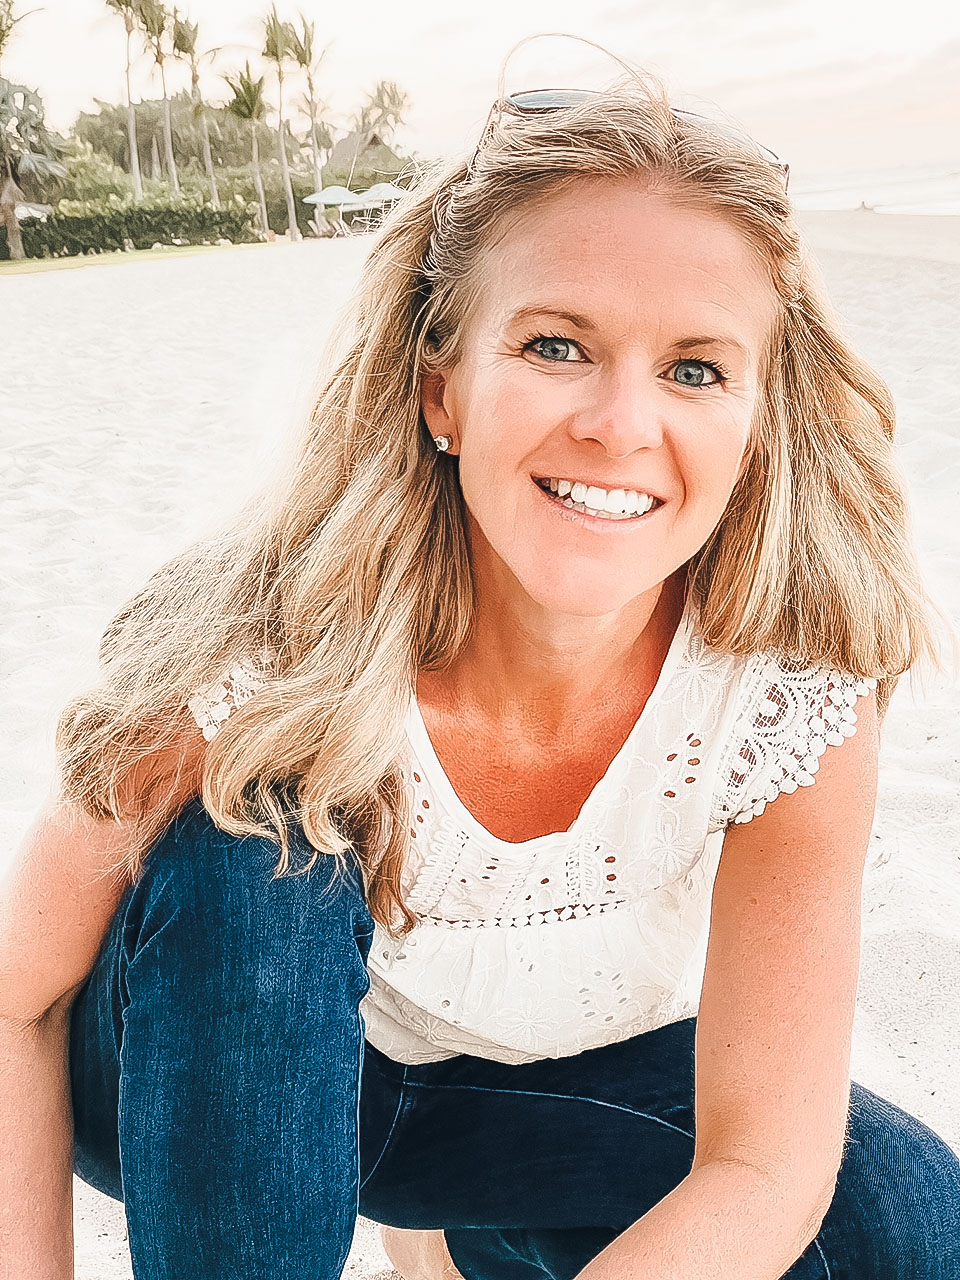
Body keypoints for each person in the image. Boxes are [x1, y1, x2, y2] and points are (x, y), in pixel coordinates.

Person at [2, 55, 959, 1280]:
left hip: (529, 1114)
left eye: (694, 367)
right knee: (261, 841)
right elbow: (14, 999)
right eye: (558, 345)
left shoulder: (793, 687)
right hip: (205, 1083)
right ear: (441, 388)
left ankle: (438, 1239)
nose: (623, 423)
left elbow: (762, 1164)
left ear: (758, 417)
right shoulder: (256, 643)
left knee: (908, 1216)